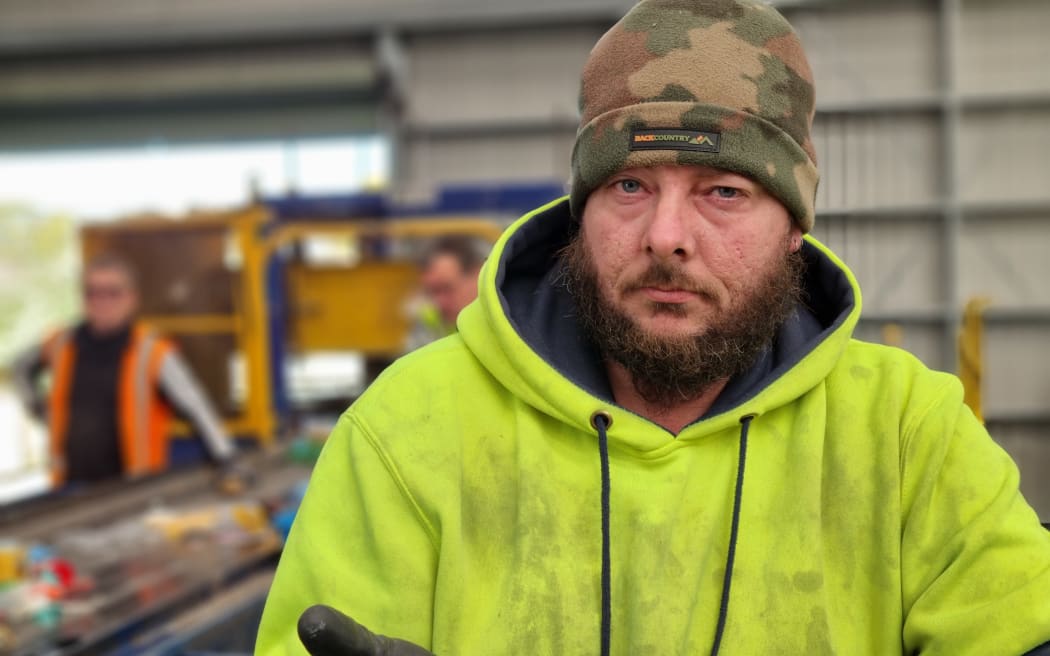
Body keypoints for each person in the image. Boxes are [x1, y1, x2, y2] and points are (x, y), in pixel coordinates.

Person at [257, 1, 1050, 654]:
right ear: (580, 216)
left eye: (724, 192)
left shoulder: (909, 435)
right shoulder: (406, 434)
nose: (666, 235)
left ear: (794, 230)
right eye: (630, 184)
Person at [12, 254, 240, 487]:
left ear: (132, 299)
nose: (102, 301)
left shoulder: (153, 352)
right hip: (69, 487)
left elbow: (196, 407)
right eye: (92, 292)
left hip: (132, 489)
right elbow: (19, 368)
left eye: (113, 292)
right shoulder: (61, 342)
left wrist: (225, 459)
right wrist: (40, 411)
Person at [404, 234, 487, 351]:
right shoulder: (427, 326)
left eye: (447, 288)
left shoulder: (505, 322)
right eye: (431, 292)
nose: (439, 302)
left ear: (478, 274)